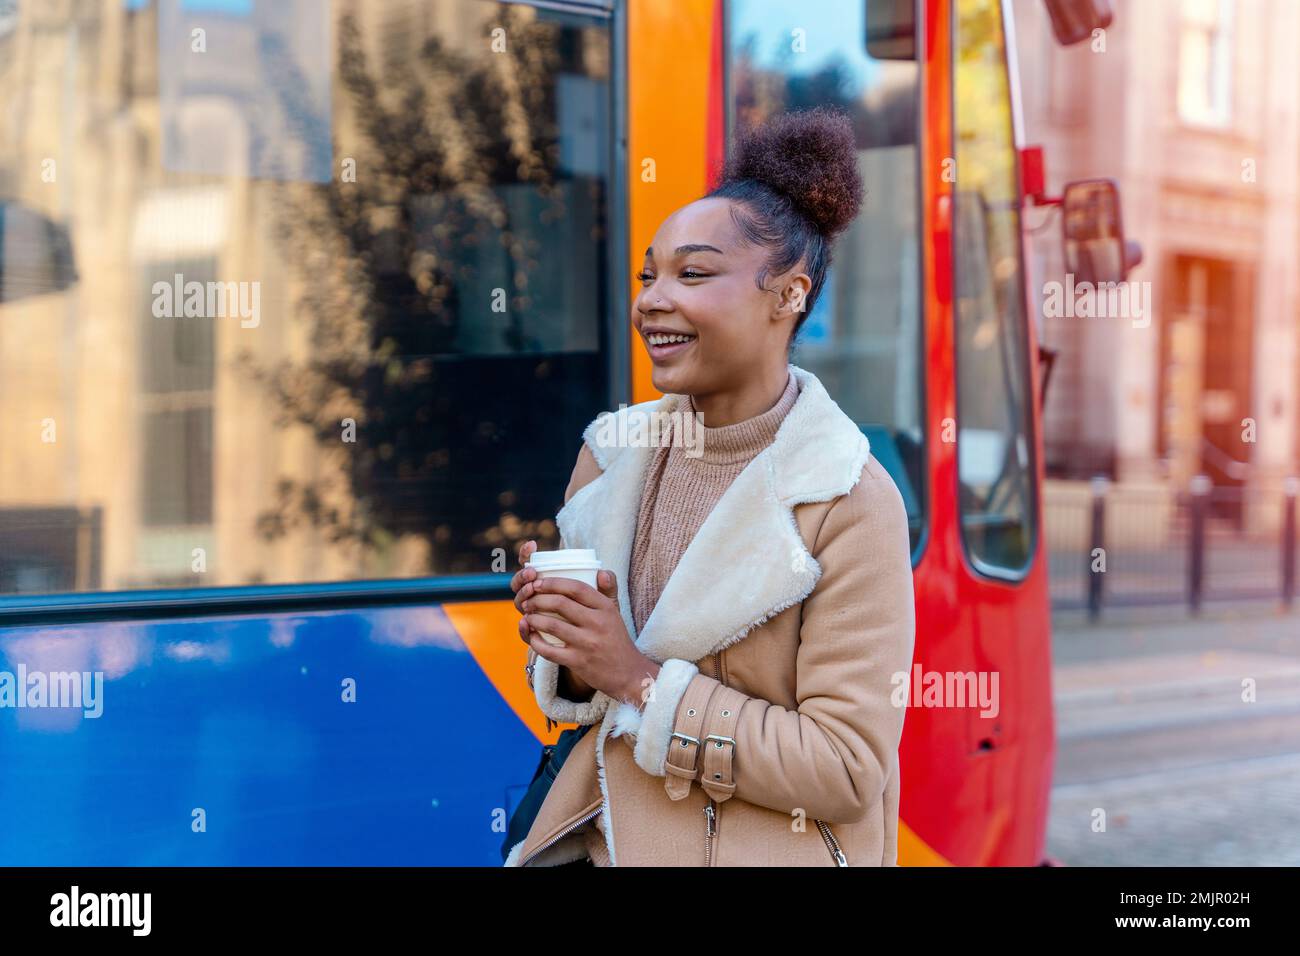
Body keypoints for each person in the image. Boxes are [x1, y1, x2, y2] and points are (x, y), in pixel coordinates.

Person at [504, 106, 915, 867]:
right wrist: (567, 643)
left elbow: (847, 768)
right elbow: (588, 704)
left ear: (788, 296)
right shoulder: (610, 455)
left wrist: (638, 678)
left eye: (692, 274)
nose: (651, 300)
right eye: (648, 275)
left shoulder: (849, 498)